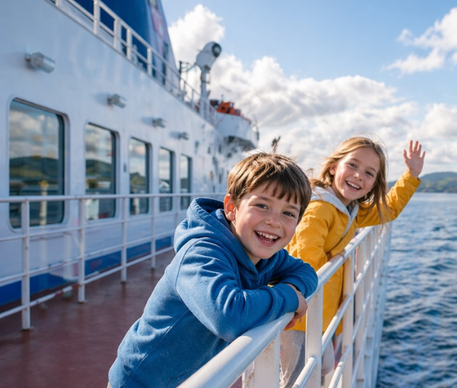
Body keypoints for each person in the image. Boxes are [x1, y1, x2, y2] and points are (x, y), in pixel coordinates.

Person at [108, 152, 319, 388]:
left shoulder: (265, 255)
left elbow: (306, 273)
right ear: (231, 208)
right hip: (143, 381)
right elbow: (228, 316)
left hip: (197, 376)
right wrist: (289, 297)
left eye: (288, 213)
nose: (274, 221)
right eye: (262, 205)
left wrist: (290, 289)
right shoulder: (201, 253)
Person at [280, 137, 425, 386]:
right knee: (297, 379)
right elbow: (306, 259)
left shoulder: (349, 209)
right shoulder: (320, 209)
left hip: (321, 312)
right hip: (300, 317)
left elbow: (387, 209)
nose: (359, 175)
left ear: (373, 184)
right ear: (334, 166)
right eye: (353, 165)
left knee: (319, 368)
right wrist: (330, 259)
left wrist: (411, 175)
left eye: (369, 173)